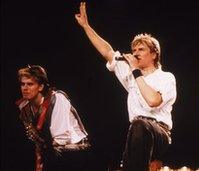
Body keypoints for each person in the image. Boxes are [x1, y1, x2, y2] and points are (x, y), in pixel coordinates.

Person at [75, 2, 177, 171]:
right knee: (133, 131)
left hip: (159, 133)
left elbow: (153, 101)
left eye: (141, 49)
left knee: (139, 125)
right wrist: (86, 26)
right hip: (137, 134)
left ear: (154, 54)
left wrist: (136, 72)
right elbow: (107, 51)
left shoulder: (166, 77)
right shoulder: (130, 74)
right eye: (134, 49)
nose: (135, 53)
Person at [16, 65, 90, 171]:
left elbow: (62, 138)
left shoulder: (57, 99)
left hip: (75, 150)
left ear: (40, 87)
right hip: (52, 150)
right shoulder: (25, 107)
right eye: (22, 84)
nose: (25, 88)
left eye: (30, 84)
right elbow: (36, 141)